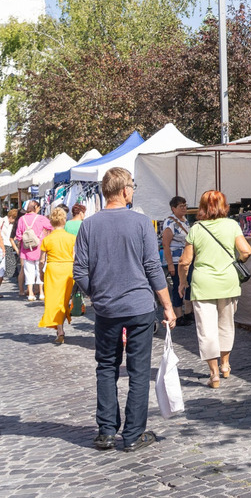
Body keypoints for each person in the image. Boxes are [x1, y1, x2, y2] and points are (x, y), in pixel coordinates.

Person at [73, 167, 176, 453]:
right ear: (124, 190)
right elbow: (152, 267)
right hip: (139, 306)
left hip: (107, 309)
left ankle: (106, 431)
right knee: (138, 370)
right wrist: (167, 306)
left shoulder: (89, 225)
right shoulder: (141, 223)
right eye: (132, 186)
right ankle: (132, 434)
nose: (133, 191)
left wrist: (96, 293)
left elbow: (79, 271)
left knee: (106, 367)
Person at [178, 190, 251, 388]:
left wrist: (182, 282)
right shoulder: (232, 225)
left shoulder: (196, 228)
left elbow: (185, 261)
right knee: (226, 324)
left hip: (203, 284)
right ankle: (225, 365)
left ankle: (214, 374)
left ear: (202, 207)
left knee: (206, 329)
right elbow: (246, 250)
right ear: (224, 206)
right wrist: (236, 261)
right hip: (228, 282)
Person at [39, 206, 77, 344]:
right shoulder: (71, 238)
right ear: (64, 220)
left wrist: (40, 274)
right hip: (68, 269)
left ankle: (59, 329)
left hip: (53, 270)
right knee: (63, 300)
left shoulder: (47, 239)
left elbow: (42, 260)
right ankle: (60, 327)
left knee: (54, 300)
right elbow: (75, 256)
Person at [160, 196, 194, 324]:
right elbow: (166, 244)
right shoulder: (170, 223)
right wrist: (170, 265)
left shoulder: (185, 221)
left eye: (185, 205)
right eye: (181, 206)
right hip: (176, 260)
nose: (184, 208)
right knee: (177, 286)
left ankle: (188, 312)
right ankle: (178, 315)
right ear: (173, 208)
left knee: (188, 284)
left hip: (186, 258)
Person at [15, 201, 52, 301]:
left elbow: (18, 235)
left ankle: (30, 293)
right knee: (39, 269)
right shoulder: (41, 218)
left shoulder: (22, 219)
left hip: (26, 248)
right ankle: (41, 292)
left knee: (28, 271)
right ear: (35, 207)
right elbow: (51, 228)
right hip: (40, 247)